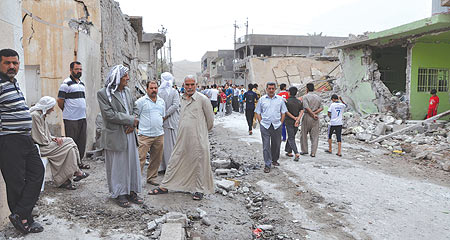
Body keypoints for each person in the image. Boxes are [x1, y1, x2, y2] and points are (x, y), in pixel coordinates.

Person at [0, 48, 44, 234]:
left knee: (37, 172)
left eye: (15, 63)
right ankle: (24, 220)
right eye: (7, 63)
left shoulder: (13, 83)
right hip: (9, 140)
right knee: (16, 182)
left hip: (25, 138)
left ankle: (20, 213)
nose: (12, 66)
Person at [149, 75, 214, 200]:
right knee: (175, 159)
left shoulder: (203, 99)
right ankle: (166, 185)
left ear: (196, 85)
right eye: (187, 85)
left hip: (198, 139)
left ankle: (198, 190)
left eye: (192, 84)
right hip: (182, 138)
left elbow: (210, 121)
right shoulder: (182, 99)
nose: (189, 87)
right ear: (183, 85)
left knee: (198, 163)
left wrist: (201, 133)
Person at [97, 65, 143, 208]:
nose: (128, 78)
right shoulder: (103, 94)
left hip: (129, 133)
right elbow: (109, 115)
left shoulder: (128, 91)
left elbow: (135, 107)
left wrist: (133, 122)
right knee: (118, 165)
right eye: (125, 76)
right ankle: (119, 193)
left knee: (132, 163)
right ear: (117, 78)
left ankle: (132, 191)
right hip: (115, 135)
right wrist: (130, 120)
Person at [30, 96, 89, 190]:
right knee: (69, 144)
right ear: (46, 107)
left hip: (45, 143)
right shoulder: (35, 116)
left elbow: (46, 134)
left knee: (69, 145)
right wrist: (52, 140)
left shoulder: (41, 115)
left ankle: (65, 180)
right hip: (40, 147)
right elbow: (40, 139)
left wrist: (54, 138)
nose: (53, 110)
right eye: (52, 107)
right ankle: (76, 171)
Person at [57, 61, 89, 170]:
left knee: (81, 141)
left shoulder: (81, 84)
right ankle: (71, 166)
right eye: (76, 69)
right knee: (71, 143)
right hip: (71, 119)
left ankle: (79, 163)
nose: (79, 71)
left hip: (82, 117)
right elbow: (60, 101)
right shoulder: (66, 84)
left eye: (80, 69)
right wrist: (67, 111)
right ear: (71, 70)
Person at [135, 80, 165, 185]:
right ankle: (136, 180)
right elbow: (134, 115)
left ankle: (151, 178)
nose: (154, 90)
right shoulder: (141, 102)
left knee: (156, 158)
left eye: (155, 88)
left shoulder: (161, 101)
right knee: (140, 159)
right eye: (151, 88)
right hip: (144, 136)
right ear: (147, 89)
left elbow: (162, 116)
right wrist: (136, 129)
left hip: (159, 135)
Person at [255, 82, 288, 173]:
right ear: (266, 89)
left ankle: (274, 159)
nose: (271, 90)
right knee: (266, 146)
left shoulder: (280, 100)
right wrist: (260, 122)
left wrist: (281, 122)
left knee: (276, 144)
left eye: (273, 88)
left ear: (275, 89)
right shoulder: (262, 100)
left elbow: (283, 112)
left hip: (277, 125)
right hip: (265, 125)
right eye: (269, 88)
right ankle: (267, 164)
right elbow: (258, 112)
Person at [157, 72, 180, 173]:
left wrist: (163, 115)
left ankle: (164, 167)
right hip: (170, 121)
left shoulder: (158, 92)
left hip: (162, 121)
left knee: (163, 145)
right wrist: (166, 115)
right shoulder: (174, 92)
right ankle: (171, 167)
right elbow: (175, 105)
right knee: (170, 145)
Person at [300, 83, 323, 157]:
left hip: (307, 116)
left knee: (303, 134)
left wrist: (312, 114)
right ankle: (313, 152)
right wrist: (314, 114)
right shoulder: (318, 97)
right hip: (315, 118)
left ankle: (304, 150)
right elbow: (321, 108)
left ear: (307, 89)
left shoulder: (305, 97)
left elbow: (306, 107)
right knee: (315, 136)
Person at [284, 87, 304, 161]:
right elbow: (302, 110)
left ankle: (296, 153)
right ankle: (289, 151)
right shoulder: (299, 102)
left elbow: (286, 112)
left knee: (291, 137)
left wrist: (293, 118)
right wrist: (297, 119)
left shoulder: (287, 101)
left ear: (289, 92)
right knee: (292, 136)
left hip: (289, 121)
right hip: (296, 122)